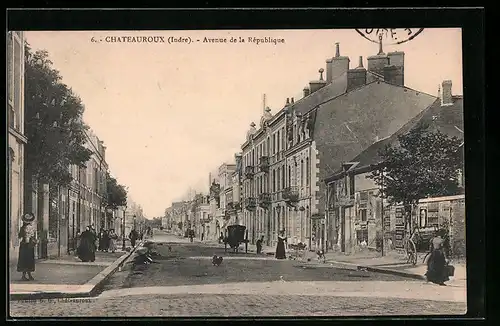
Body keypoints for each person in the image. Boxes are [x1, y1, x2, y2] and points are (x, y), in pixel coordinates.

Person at [17, 213, 37, 281]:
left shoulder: (22, 228)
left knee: (24, 260)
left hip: (23, 245)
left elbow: (19, 236)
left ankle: (25, 275)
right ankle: (28, 275)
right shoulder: (30, 227)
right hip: (28, 245)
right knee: (29, 260)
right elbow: (32, 236)